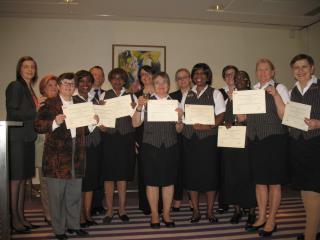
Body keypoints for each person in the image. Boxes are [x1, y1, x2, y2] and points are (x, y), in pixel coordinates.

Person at [34, 72, 97, 240]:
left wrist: (92, 123)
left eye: (71, 83)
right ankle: (59, 230)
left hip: (77, 156)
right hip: (57, 159)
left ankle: (74, 225)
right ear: (59, 86)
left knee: (74, 194)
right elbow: (38, 126)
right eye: (65, 83)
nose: (68, 86)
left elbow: (82, 130)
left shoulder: (80, 103)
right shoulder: (49, 104)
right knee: (57, 196)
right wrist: (55, 122)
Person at [132, 72, 183, 228]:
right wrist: (139, 107)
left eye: (164, 82)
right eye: (158, 83)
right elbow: (135, 124)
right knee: (152, 183)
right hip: (150, 147)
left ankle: (166, 214)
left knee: (168, 182)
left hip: (170, 147)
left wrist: (180, 118)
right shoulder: (145, 101)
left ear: (169, 85)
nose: (161, 86)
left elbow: (179, 130)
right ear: (153, 85)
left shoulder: (175, 103)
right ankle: (155, 214)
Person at [245, 58, 290, 237]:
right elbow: (243, 118)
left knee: (274, 182)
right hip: (255, 140)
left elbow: (285, 115)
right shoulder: (253, 90)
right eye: (259, 70)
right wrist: (237, 101)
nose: (262, 73)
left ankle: (272, 219)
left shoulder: (280, 88)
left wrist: (276, 95)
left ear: (273, 72)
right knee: (260, 182)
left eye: (266, 70)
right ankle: (262, 217)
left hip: (274, 140)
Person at [181, 63, 226, 223]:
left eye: (202, 73)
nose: (199, 76)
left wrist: (210, 125)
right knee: (191, 175)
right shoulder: (187, 93)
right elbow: (182, 114)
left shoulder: (216, 93)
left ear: (208, 76)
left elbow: (221, 113)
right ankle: (196, 212)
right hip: (190, 139)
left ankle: (210, 212)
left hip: (208, 140)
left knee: (210, 176)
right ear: (193, 77)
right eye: (196, 73)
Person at [6, 56, 39, 233]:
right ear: (19, 69)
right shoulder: (16, 86)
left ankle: (21, 217)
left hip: (27, 138)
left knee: (23, 180)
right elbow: (12, 112)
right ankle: (12, 220)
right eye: (26, 67)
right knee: (16, 181)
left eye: (32, 67)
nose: (29, 70)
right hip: (17, 138)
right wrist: (35, 113)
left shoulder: (29, 89)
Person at [288, 54, 320, 240]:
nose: (300, 71)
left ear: (312, 68)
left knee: (313, 188)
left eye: (304, 67)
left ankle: (309, 234)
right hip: (298, 143)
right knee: (304, 187)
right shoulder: (294, 90)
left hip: (315, 142)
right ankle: (314, 229)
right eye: (296, 68)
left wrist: (318, 123)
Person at [100, 68, 136, 224]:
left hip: (125, 139)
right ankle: (109, 210)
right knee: (108, 177)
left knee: (122, 176)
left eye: (120, 78)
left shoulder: (131, 95)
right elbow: (99, 119)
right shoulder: (103, 95)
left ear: (124, 81)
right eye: (114, 78)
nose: (117, 81)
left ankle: (121, 209)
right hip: (108, 138)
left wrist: (135, 107)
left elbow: (136, 120)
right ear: (110, 80)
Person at [220, 70, 256, 225]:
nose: (239, 80)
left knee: (248, 177)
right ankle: (237, 210)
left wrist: (244, 122)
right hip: (232, 143)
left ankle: (252, 212)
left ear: (248, 81)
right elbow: (228, 117)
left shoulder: (253, 96)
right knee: (232, 176)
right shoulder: (231, 97)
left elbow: (253, 119)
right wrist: (227, 122)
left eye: (243, 78)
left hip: (248, 144)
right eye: (237, 78)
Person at [73, 70, 101, 228]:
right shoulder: (73, 100)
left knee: (90, 182)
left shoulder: (94, 99)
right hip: (80, 145)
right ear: (77, 83)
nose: (85, 84)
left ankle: (88, 214)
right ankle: (80, 216)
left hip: (95, 144)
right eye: (82, 81)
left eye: (88, 82)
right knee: (80, 183)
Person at [35, 74, 59, 226]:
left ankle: (57, 212)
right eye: (49, 85)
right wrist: (36, 107)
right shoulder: (39, 104)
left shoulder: (62, 103)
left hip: (60, 150)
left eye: (55, 85)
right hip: (42, 146)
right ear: (43, 89)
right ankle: (48, 215)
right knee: (45, 183)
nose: (53, 88)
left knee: (57, 184)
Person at [169, 68, 193, 212]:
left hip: (193, 136)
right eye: (179, 78)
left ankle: (191, 199)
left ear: (190, 79)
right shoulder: (171, 97)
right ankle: (177, 200)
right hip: (176, 136)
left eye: (185, 77)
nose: (182, 80)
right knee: (177, 169)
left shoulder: (196, 94)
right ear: (176, 81)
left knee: (191, 168)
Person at [135, 65, 156, 215]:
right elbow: (133, 121)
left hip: (160, 137)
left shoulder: (161, 93)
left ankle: (159, 205)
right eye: (142, 75)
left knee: (158, 172)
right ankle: (146, 205)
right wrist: (134, 140)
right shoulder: (135, 95)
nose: (145, 76)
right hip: (141, 138)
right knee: (144, 172)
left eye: (148, 74)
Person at [217, 65, 238, 214]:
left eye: (232, 74)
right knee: (225, 170)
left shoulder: (244, 92)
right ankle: (224, 202)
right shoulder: (219, 93)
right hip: (224, 135)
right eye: (226, 75)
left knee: (240, 171)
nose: (229, 77)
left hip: (241, 135)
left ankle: (242, 204)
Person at [89, 65, 106, 217]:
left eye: (100, 75)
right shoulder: (81, 95)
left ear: (103, 79)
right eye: (94, 75)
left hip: (104, 139)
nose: (97, 77)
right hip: (87, 139)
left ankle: (98, 203)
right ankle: (88, 205)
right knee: (90, 173)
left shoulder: (107, 95)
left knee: (101, 172)